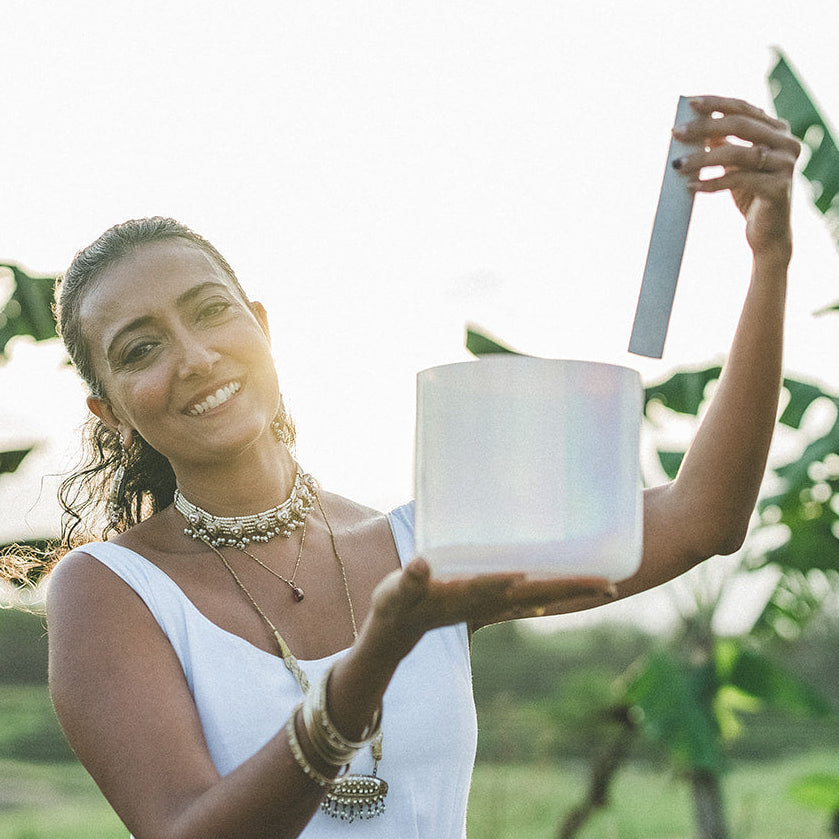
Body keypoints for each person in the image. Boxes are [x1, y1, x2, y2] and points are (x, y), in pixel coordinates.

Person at [39, 95, 798, 839]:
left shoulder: (424, 541)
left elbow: (702, 519)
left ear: (261, 327)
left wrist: (769, 258)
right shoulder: (110, 589)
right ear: (111, 410)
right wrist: (374, 656)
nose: (195, 357)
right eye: (141, 349)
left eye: (209, 310)